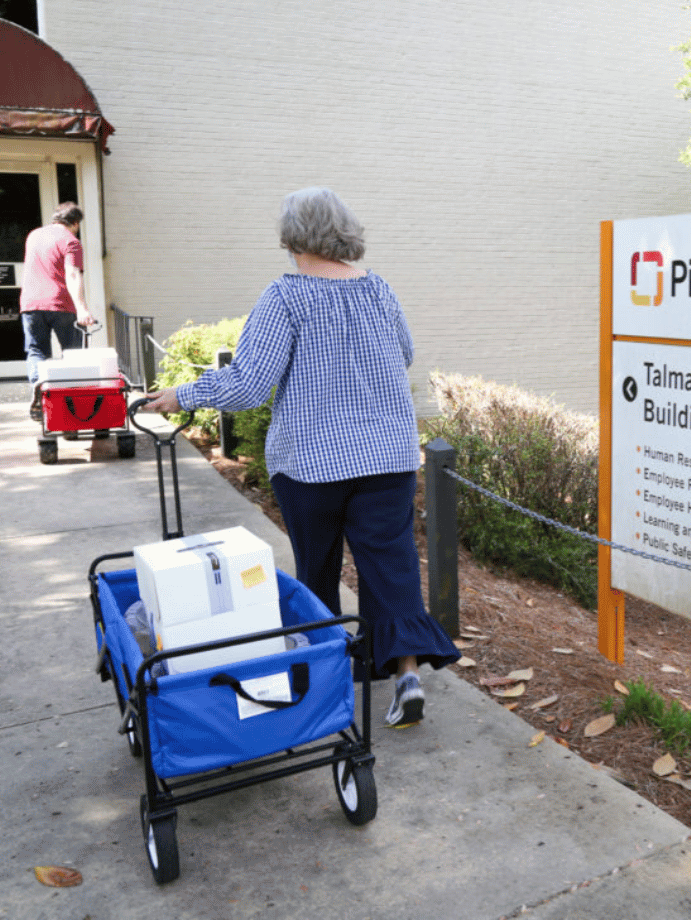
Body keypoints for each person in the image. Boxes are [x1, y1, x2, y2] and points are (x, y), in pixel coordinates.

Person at [142, 187, 459, 728]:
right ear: (345, 231)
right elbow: (403, 352)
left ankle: (321, 680)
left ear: (292, 236)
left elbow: (250, 383)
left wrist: (182, 395)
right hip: (388, 455)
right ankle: (407, 674)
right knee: (393, 565)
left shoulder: (285, 296)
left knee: (317, 571)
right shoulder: (378, 288)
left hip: (313, 463)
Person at [21, 201, 95, 419]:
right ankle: (71, 402)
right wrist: (82, 309)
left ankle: (39, 386)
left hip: (31, 303)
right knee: (72, 353)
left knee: (36, 351)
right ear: (75, 223)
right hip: (60, 303)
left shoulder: (33, 235)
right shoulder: (71, 241)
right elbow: (72, 274)